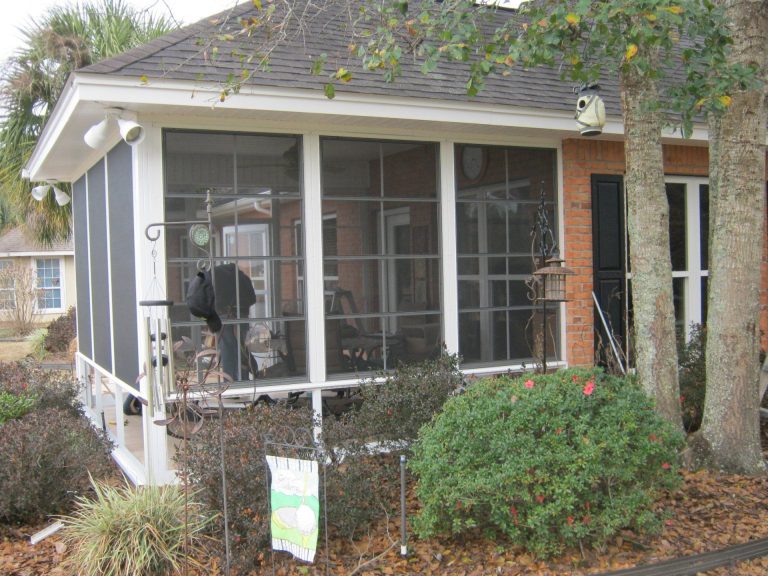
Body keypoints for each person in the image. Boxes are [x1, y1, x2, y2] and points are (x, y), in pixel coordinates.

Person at [186, 262, 257, 380]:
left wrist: (208, 317)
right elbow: (252, 298)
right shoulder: (241, 277)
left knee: (229, 351)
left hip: (223, 316)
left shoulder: (209, 275)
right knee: (239, 350)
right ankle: (242, 382)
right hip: (241, 316)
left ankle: (231, 384)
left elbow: (193, 301)